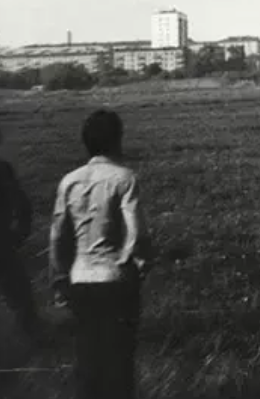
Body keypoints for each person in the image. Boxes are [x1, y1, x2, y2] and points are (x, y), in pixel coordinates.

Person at [50, 110, 154, 399]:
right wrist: (141, 264)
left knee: (88, 362)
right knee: (120, 364)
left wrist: (59, 279)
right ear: (117, 140)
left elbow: (58, 236)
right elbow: (136, 233)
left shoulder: (69, 181)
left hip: (80, 279)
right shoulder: (124, 178)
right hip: (117, 280)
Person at [0, 125, 38, 340]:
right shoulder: (2, 169)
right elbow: (22, 206)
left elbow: (22, 206)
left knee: (20, 294)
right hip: (3, 243)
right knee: (20, 297)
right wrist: (19, 234)